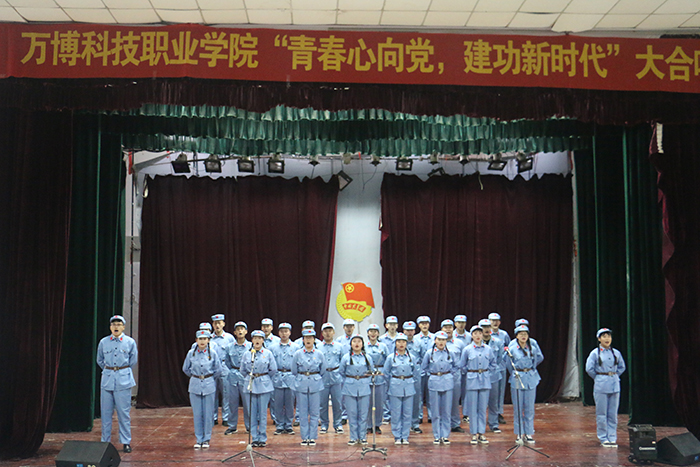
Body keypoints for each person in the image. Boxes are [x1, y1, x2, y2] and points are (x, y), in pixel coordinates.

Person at [97, 315, 138, 453]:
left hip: (123, 379)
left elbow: (133, 360)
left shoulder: (130, 342)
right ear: (110, 327)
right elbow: (100, 360)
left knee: (123, 413)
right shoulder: (103, 342)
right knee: (106, 414)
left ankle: (126, 441)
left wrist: (121, 370)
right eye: (113, 324)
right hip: (107, 379)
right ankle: (105, 442)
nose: (116, 327)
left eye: (119, 324)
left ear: (123, 327)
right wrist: (110, 370)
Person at [585, 328, 626, 448]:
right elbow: (589, 369)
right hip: (601, 385)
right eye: (604, 336)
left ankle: (612, 437)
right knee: (602, 413)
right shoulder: (595, 353)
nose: (607, 339)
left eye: (608, 336)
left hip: (614, 384)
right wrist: (599, 378)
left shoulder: (616, 353)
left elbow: (622, 367)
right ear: (599, 339)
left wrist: (614, 376)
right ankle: (603, 437)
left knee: (612, 413)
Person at [182, 329, 222, 449]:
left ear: (208, 340)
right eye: (200, 339)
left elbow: (218, 370)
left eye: (205, 339)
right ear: (196, 340)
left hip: (209, 384)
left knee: (208, 414)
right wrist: (196, 376)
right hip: (195, 385)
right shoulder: (191, 353)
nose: (202, 341)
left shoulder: (212, 353)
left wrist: (208, 378)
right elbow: (186, 368)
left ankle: (206, 439)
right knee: (197, 414)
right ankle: (199, 439)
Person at [459, 324, 498, 445]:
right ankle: (473, 433)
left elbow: (493, 363)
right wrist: (470, 372)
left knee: (482, 408)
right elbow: (462, 365)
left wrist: (487, 373)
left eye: (480, 333)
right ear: (471, 335)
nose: (478, 336)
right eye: (475, 333)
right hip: (472, 380)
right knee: (472, 408)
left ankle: (481, 432)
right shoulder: (467, 349)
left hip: (485, 380)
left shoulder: (488, 349)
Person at [505, 324, 543, 444]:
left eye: (525, 334)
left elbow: (538, 359)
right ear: (516, 336)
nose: (523, 336)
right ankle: (519, 433)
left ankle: (529, 433)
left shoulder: (532, 348)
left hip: (530, 378)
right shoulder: (512, 348)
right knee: (518, 407)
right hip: (517, 378)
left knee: (529, 408)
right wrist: (516, 372)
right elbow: (508, 364)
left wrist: (530, 370)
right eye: (521, 334)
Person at [240, 330, 277, 447]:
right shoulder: (247, 354)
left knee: (262, 413)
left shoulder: (268, 353)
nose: (257, 340)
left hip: (264, 385)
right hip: (250, 384)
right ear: (252, 340)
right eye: (255, 338)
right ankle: (254, 438)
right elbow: (242, 370)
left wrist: (263, 377)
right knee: (252, 413)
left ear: (263, 340)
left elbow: (273, 369)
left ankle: (262, 437)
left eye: (259, 338)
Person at [383, 333, 420, 445]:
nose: (401, 344)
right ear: (395, 343)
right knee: (396, 413)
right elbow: (386, 373)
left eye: (403, 342)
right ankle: (397, 436)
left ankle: (405, 436)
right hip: (395, 386)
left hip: (408, 386)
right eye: (399, 342)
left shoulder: (411, 357)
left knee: (407, 413)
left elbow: (416, 373)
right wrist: (391, 385)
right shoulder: (391, 358)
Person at [292, 329, 327, 446]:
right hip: (301, 383)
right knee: (302, 412)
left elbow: (323, 370)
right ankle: (304, 437)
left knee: (314, 412)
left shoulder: (319, 354)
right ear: (303, 340)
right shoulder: (297, 354)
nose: (308, 340)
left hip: (315, 383)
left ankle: (312, 437)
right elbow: (294, 370)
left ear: (314, 340)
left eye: (310, 338)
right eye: (306, 338)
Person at [421, 330, 456, 445]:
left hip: (447, 381)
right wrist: (432, 375)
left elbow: (456, 366)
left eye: (443, 340)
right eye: (439, 340)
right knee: (435, 411)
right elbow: (424, 367)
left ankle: (445, 435)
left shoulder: (450, 352)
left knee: (446, 410)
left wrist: (449, 375)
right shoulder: (429, 353)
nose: (441, 342)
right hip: (434, 381)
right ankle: (436, 435)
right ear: (435, 340)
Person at [339, 334, 374, 445]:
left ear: (363, 344)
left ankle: (362, 437)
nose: (357, 344)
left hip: (364, 387)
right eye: (354, 341)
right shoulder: (346, 357)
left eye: (359, 341)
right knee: (352, 413)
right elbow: (341, 372)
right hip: (350, 387)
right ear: (350, 344)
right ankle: (353, 437)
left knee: (363, 414)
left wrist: (366, 381)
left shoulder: (367, 357)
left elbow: (371, 371)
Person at [224, 321, 251, 435]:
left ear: (246, 331)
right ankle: (232, 426)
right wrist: (232, 371)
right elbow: (227, 362)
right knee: (232, 402)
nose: (240, 331)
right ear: (234, 332)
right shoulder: (229, 347)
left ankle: (250, 426)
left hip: (246, 376)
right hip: (233, 375)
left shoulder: (250, 346)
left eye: (242, 329)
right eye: (238, 329)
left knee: (248, 403)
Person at [270, 322, 297, 435]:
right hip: (278, 377)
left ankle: (289, 425)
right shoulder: (273, 347)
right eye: (282, 331)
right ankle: (280, 425)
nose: (284, 333)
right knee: (278, 403)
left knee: (290, 403)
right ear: (278, 333)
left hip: (291, 377)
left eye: (286, 331)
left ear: (290, 332)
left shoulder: (296, 347)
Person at [478, 318, 505, 434]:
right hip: (480, 376)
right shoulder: (476, 343)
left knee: (494, 401)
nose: (486, 329)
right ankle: (480, 426)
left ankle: (494, 424)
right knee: (480, 403)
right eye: (483, 327)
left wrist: (492, 369)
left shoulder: (498, 342)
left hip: (493, 375)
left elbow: (499, 358)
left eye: (488, 327)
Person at [441, 319, 466, 434]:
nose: (448, 329)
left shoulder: (459, 343)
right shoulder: (437, 342)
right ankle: (443, 424)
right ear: (442, 329)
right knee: (442, 402)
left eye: (450, 327)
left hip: (455, 377)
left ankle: (455, 424)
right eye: (445, 327)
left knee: (455, 401)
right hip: (441, 376)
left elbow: (464, 359)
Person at [318, 322, 344, 434]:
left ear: (333, 332)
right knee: (322, 403)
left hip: (336, 376)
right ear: (322, 333)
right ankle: (324, 424)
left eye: (330, 331)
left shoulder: (339, 346)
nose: (328, 333)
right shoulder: (318, 347)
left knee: (337, 403)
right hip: (323, 377)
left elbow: (343, 361)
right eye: (325, 331)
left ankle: (338, 424)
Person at [365, 323, 389, 434]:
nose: (373, 334)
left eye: (375, 331)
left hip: (380, 375)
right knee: (367, 402)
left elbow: (388, 360)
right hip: (367, 375)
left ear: (378, 333)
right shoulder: (364, 346)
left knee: (379, 402)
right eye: (371, 331)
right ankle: (368, 424)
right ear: (368, 333)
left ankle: (377, 424)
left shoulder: (383, 346)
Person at [211, 314, 234, 426]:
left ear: (223, 324)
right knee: (213, 394)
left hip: (225, 367)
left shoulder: (229, 338)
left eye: (219, 323)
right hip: (212, 369)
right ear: (212, 325)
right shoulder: (209, 338)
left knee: (226, 394)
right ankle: (214, 417)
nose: (217, 325)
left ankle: (225, 417)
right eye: (215, 323)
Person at [403, 321, 424, 434]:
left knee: (416, 399)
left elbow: (424, 357)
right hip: (402, 373)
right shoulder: (399, 342)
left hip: (416, 373)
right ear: (403, 331)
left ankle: (415, 423)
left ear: (414, 331)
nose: (409, 332)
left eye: (411, 330)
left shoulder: (419, 343)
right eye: (407, 330)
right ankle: (404, 424)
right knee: (402, 399)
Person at [489, 312, 511, 425]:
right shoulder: (484, 334)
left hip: (500, 368)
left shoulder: (504, 334)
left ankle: (498, 413)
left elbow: (509, 347)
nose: (495, 322)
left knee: (499, 392)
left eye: (496, 320)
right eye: (492, 320)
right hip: (487, 370)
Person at [416, 316, 434, 424]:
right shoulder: (415, 339)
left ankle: (431, 415)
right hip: (419, 369)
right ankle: (419, 415)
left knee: (431, 394)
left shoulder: (435, 337)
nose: (424, 325)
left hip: (432, 369)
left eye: (426, 323)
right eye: (422, 323)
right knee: (419, 394)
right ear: (419, 325)